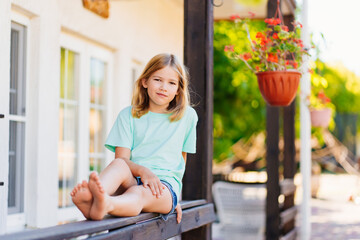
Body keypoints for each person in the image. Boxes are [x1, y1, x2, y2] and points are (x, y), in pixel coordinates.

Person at [70, 53, 198, 224]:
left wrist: (172, 198)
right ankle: (95, 198)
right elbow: (122, 160)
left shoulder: (187, 116)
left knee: (138, 194)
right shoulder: (128, 115)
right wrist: (144, 172)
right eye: (157, 80)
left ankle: (106, 203)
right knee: (118, 165)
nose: (163, 87)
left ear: (178, 90)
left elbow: (181, 161)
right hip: (133, 178)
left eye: (172, 83)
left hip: (164, 186)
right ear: (145, 82)